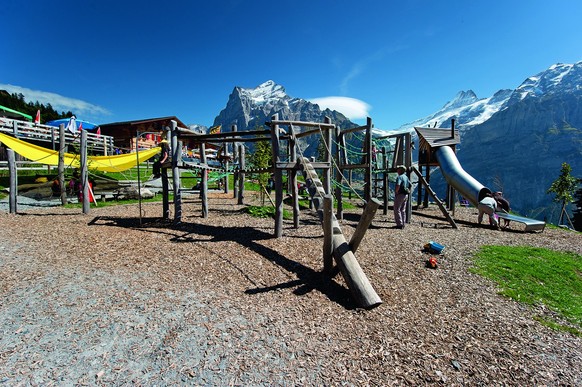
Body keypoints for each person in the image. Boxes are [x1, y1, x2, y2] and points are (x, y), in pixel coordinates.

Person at [393, 165, 410, 229]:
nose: (397, 170)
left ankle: (399, 225)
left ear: (400, 170)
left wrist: (396, 192)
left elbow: (398, 185)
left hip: (400, 195)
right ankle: (403, 223)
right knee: (403, 210)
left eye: (398, 169)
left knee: (397, 209)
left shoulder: (399, 177)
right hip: (405, 195)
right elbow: (410, 184)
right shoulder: (406, 177)